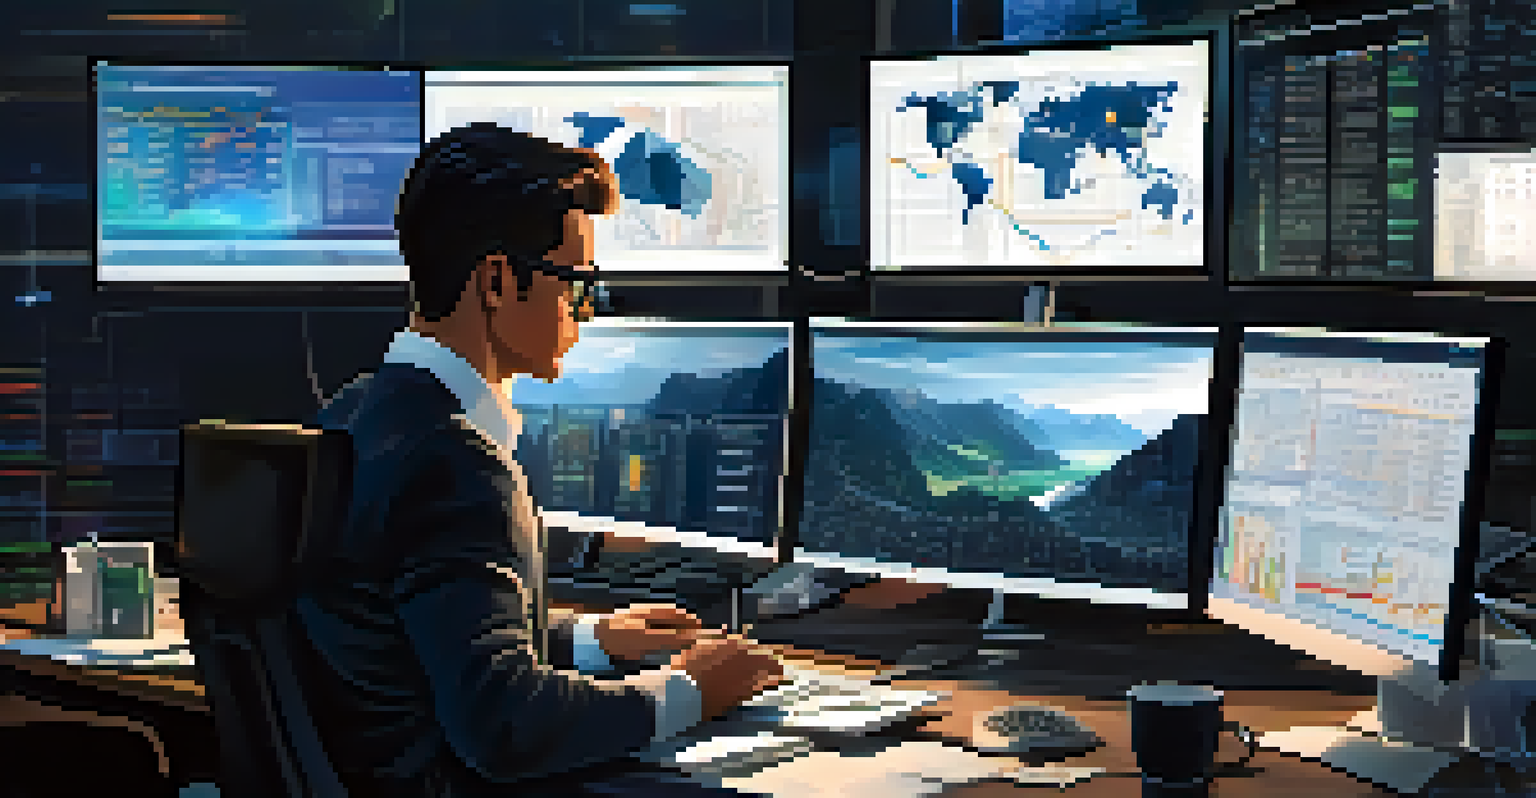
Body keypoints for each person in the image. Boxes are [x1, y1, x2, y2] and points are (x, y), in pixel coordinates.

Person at [300, 122, 784, 797]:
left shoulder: (358, 413)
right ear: (498, 281)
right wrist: (691, 690)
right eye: (576, 284)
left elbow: (419, 639)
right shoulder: (454, 462)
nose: (586, 312)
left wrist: (590, 641)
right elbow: (505, 727)